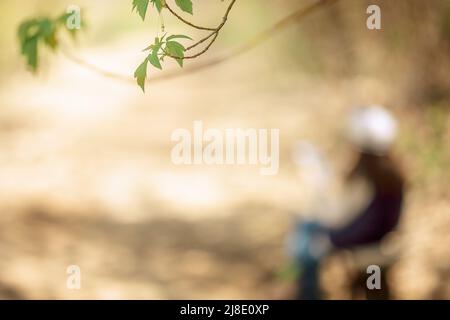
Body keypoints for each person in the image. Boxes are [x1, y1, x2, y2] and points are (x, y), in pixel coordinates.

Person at [288, 105, 405, 300]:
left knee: (372, 289)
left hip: (371, 251)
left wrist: (333, 240)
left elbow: (368, 226)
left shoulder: (380, 180)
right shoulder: (382, 175)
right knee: (306, 229)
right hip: (364, 242)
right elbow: (351, 213)